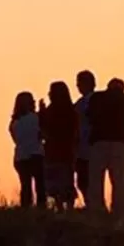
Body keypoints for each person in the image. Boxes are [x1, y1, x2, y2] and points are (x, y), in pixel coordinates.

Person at [87, 78, 124, 218]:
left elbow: (88, 117)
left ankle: (97, 211)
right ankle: (120, 212)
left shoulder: (97, 98)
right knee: (120, 181)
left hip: (98, 143)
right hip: (120, 144)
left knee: (96, 179)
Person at [39, 82, 80, 211]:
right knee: (66, 180)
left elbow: (43, 129)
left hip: (55, 151)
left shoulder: (51, 111)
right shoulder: (71, 110)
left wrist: (41, 112)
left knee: (56, 181)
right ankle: (68, 208)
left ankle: (60, 207)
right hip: (65, 151)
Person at [10, 91, 46, 209]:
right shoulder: (36, 118)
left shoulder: (14, 123)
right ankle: (41, 209)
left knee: (25, 186)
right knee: (40, 186)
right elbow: (42, 134)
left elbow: (16, 139)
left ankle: (26, 209)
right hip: (36, 154)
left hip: (20, 157)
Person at [73, 71, 97, 206]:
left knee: (86, 181)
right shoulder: (80, 103)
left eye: (79, 83)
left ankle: (92, 205)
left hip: (88, 147)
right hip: (83, 148)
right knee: (85, 181)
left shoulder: (90, 102)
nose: (77, 86)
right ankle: (91, 205)